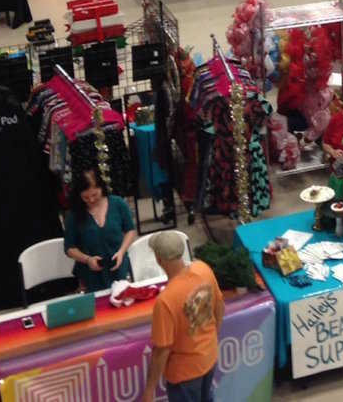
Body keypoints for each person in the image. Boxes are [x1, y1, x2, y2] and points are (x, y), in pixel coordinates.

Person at [141, 232, 224, 402]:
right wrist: (211, 339)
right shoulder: (203, 269)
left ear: (159, 259)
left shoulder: (165, 301)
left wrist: (150, 389)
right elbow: (219, 306)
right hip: (209, 357)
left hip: (184, 373)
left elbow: (162, 350)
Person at [62, 167, 137, 292]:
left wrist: (121, 252)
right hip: (90, 275)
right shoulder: (74, 214)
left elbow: (130, 230)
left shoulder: (118, 203)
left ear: (101, 188)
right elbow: (69, 248)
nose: (91, 200)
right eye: (86, 197)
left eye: (94, 195)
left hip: (119, 267)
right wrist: (87, 259)